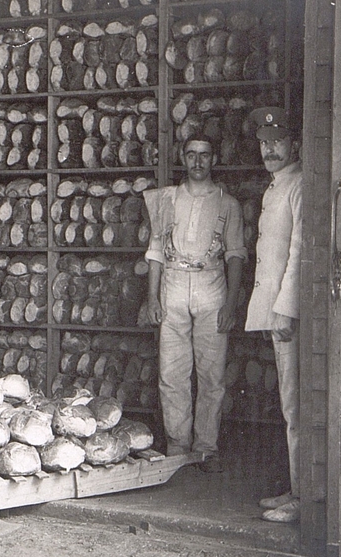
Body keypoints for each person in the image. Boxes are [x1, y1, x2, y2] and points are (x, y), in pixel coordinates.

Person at [143, 135, 246, 473]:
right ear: (183, 159)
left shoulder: (227, 203)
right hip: (172, 284)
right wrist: (152, 297)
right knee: (172, 371)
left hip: (211, 285)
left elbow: (235, 256)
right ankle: (177, 444)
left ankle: (205, 446)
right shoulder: (166, 199)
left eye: (204, 155)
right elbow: (155, 253)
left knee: (211, 372)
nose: (198, 162)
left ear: (213, 159)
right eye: (191, 155)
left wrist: (230, 304)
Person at [244, 106, 303, 523]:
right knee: (289, 405)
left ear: (294, 143)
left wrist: (284, 310)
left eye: (277, 141)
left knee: (297, 406)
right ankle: (297, 488)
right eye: (264, 143)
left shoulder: (298, 186)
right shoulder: (276, 186)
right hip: (276, 313)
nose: (270, 149)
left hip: (289, 314)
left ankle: (305, 496)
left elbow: (298, 252)